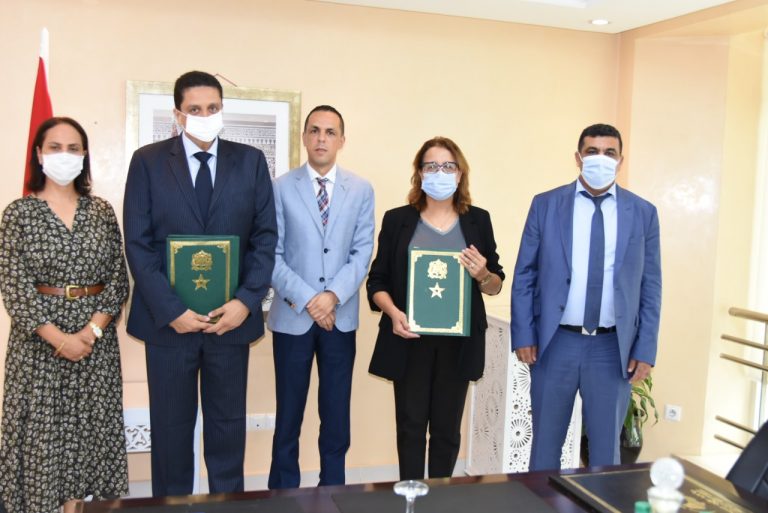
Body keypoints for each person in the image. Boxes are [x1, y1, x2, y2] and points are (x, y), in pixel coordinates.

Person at [123, 71, 277, 496]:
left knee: (227, 432)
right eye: (195, 109)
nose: (205, 116)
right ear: (178, 114)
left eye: (212, 108)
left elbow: (265, 239)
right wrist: (171, 310)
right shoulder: (148, 162)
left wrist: (246, 302)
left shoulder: (250, 162)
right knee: (171, 434)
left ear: (222, 110)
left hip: (230, 323)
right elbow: (137, 243)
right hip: (168, 326)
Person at [510, 123, 662, 470]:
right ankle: (540, 500)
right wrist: (524, 334)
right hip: (555, 344)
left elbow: (651, 285)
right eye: (592, 151)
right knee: (544, 450)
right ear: (578, 158)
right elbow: (525, 274)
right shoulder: (546, 205)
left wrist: (645, 348)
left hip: (612, 349)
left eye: (610, 152)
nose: (600, 159)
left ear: (620, 160)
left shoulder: (643, 213)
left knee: (606, 456)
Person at [0, 117, 129, 513]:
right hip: (39, 349)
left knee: (88, 440)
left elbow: (117, 281)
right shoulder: (19, 214)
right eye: (55, 147)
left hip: (95, 349)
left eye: (73, 148)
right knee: (43, 443)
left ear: (84, 155)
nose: (64, 155)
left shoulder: (101, 211)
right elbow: (14, 286)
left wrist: (89, 334)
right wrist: (60, 339)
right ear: (39, 155)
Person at [367, 136, 503, 480]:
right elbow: (377, 281)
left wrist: (482, 274)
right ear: (419, 173)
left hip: (459, 343)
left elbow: (495, 283)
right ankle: (411, 495)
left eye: (448, 166)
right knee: (410, 427)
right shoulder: (398, 220)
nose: (439, 173)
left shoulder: (478, 221)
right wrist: (393, 313)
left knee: (446, 430)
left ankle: (441, 496)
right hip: (409, 339)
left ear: (460, 173)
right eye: (431, 166)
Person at [267, 105, 374, 488]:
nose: (321, 138)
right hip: (292, 317)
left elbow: (362, 252)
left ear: (342, 140)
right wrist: (312, 300)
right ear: (304, 137)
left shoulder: (360, 189)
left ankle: (333, 491)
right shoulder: (280, 187)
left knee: (336, 415)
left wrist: (332, 296)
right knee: (288, 416)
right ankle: (283, 494)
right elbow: (271, 254)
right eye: (314, 130)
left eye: (330, 132)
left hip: (339, 319)